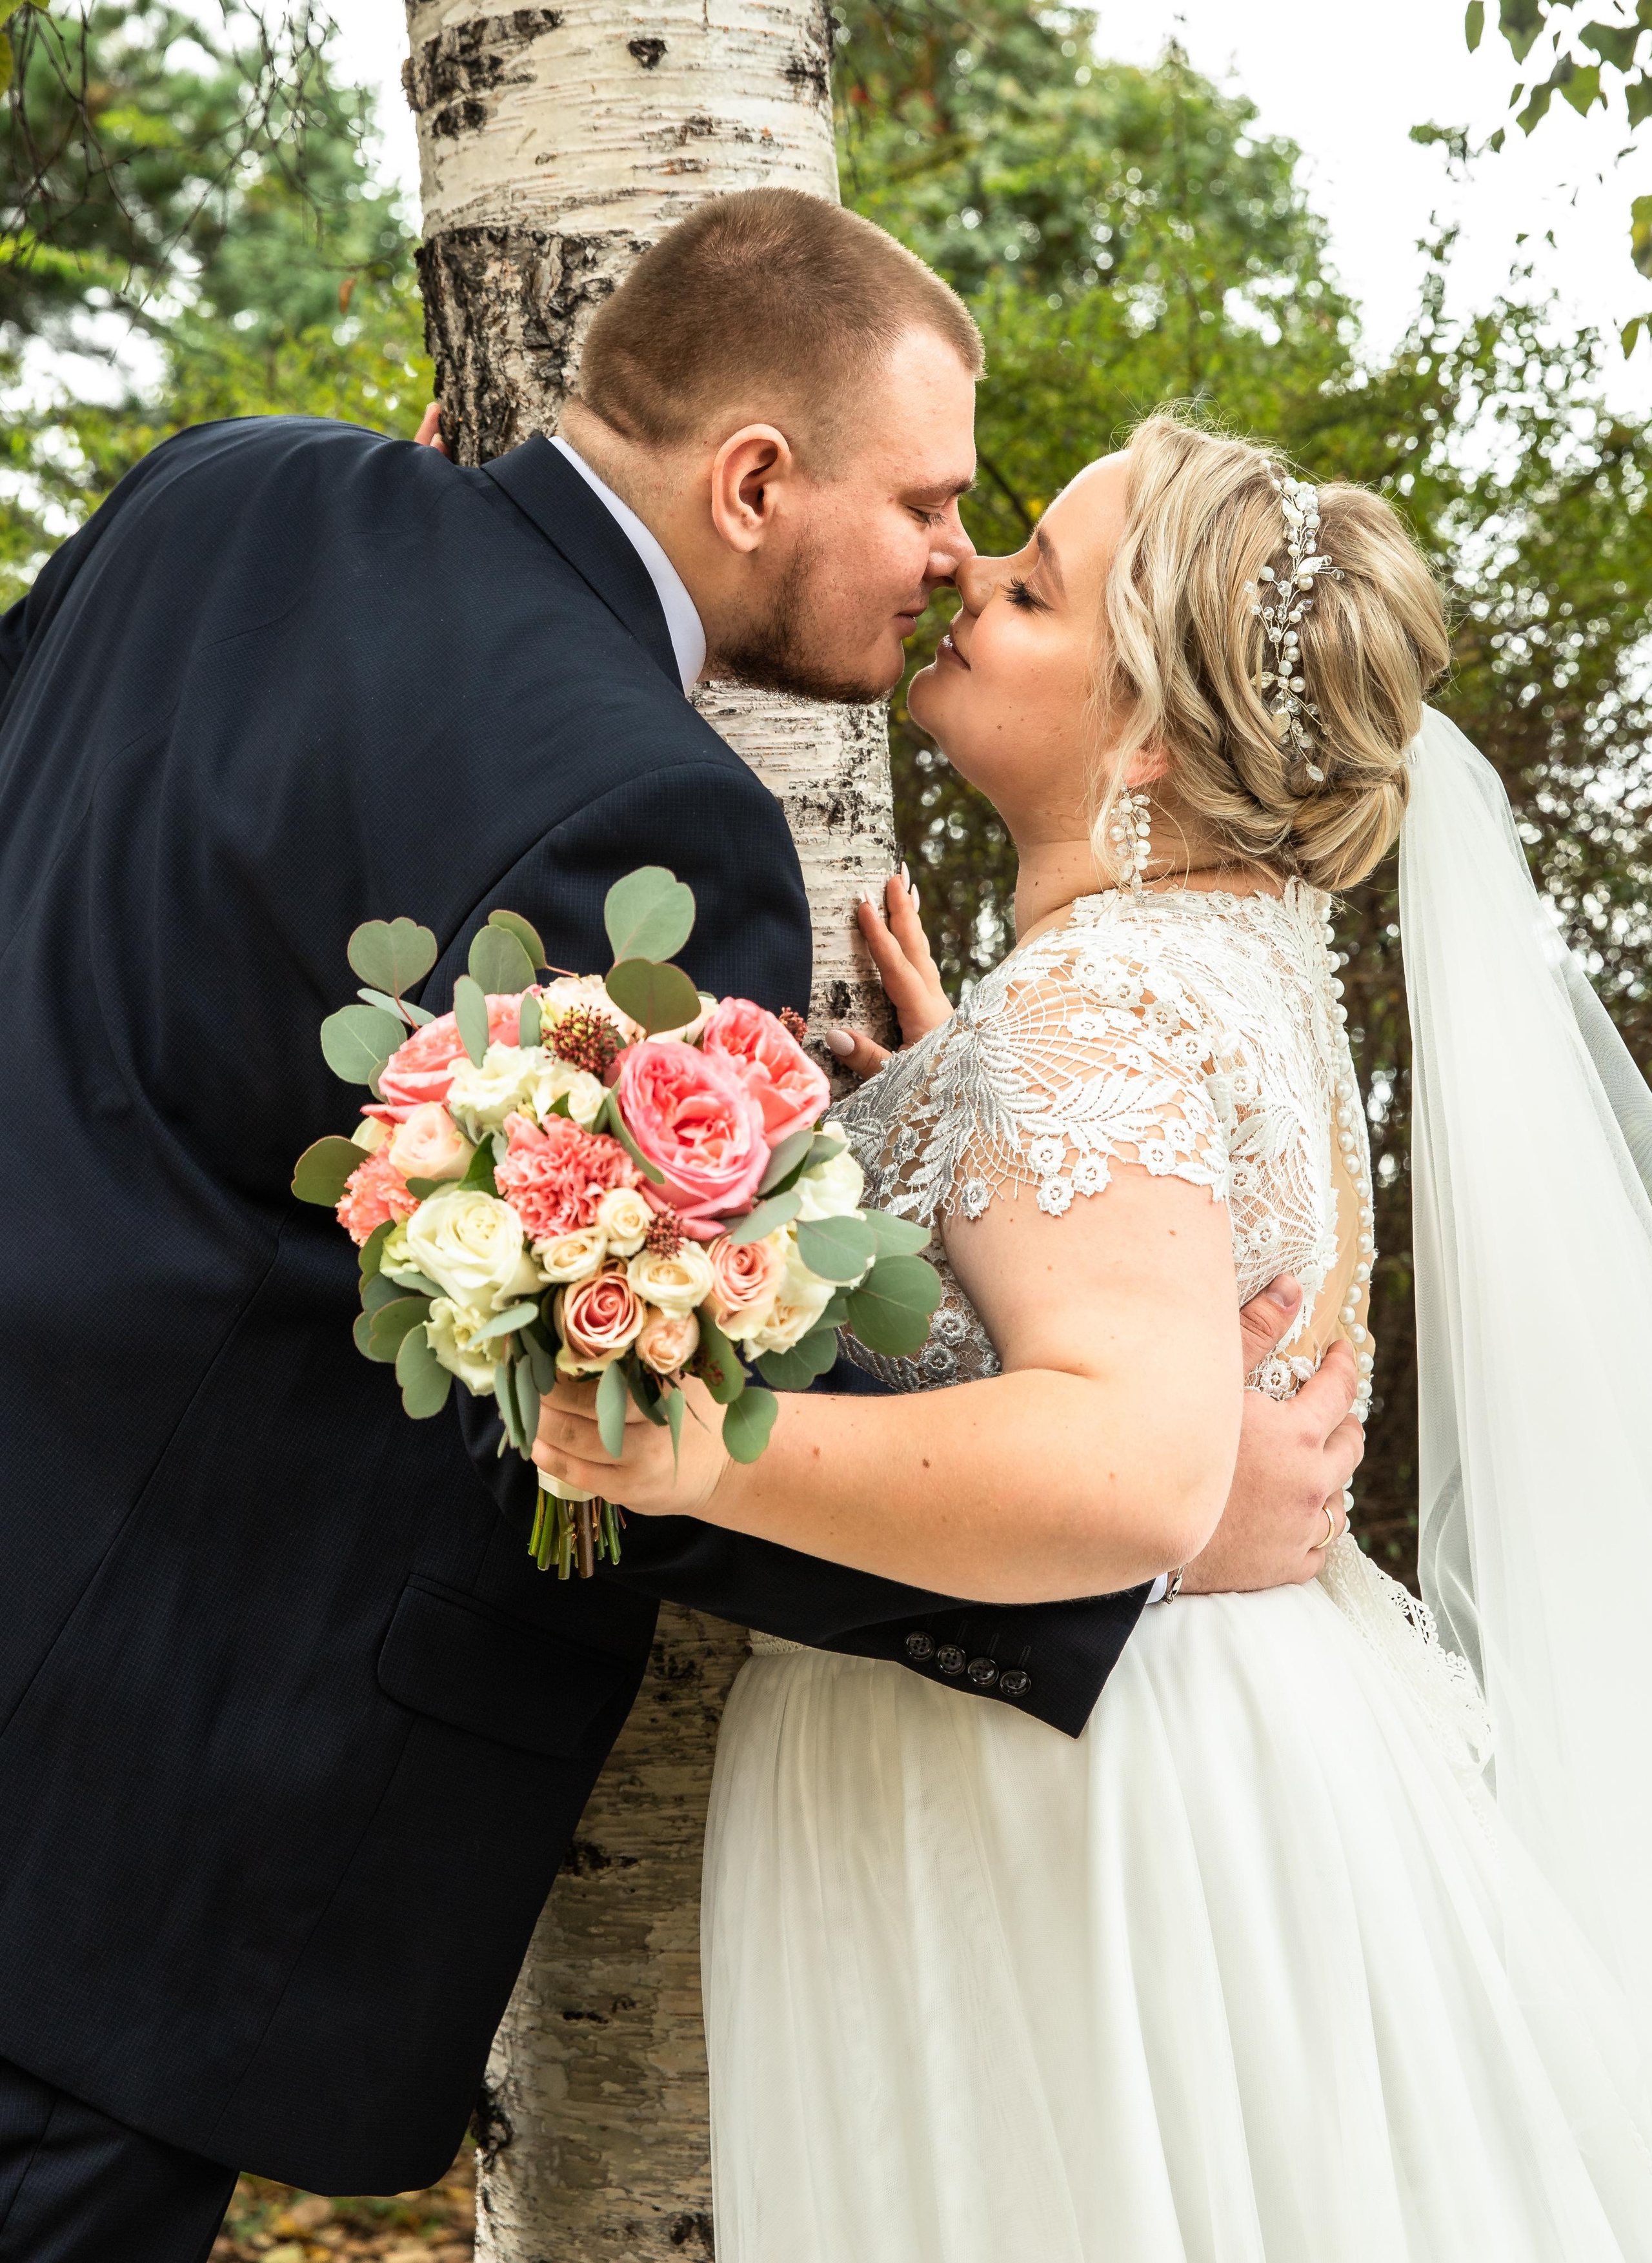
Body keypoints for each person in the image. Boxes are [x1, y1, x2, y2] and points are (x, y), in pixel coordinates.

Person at [0, 194, 1355, 2257]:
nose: (943, 566)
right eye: (924, 505)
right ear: (750, 483)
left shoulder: (225, 492)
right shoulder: (651, 807)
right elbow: (595, 1389)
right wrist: (1136, 1534)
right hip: (127, 1813)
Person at [534, 412, 1652, 2258]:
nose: (969, 576)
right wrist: (954, 1089)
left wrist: (681, 1446)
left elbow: (1129, 1470)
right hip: (1218, 1756)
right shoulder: (1235, 964)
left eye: (1034, 586)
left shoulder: (1103, 1007)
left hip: (1047, 1814)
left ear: (1146, 733)